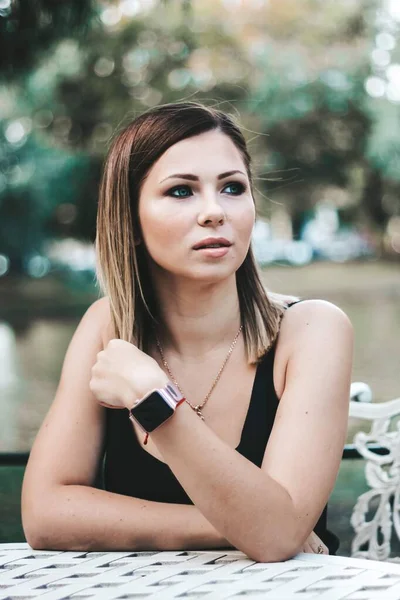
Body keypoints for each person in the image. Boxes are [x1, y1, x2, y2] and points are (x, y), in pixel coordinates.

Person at [21, 101, 353, 562]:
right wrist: (240, 525)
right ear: (131, 221)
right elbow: (45, 515)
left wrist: (155, 399)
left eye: (233, 188)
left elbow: (276, 540)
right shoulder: (107, 327)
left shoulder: (313, 330)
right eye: (181, 192)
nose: (215, 211)